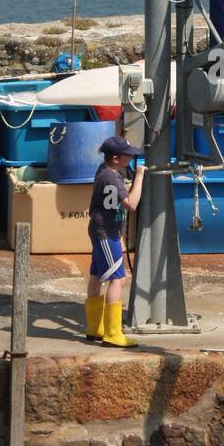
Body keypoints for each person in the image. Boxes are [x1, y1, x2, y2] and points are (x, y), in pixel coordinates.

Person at [85, 135, 146, 348]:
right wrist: (139, 177)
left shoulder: (104, 171)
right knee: (118, 279)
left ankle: (94, 329)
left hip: (99, 230)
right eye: (127, 156)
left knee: (96, 275)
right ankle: (112, 333)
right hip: (107, 233)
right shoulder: (112, 178)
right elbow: (131, 204)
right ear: (116, 158)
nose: (131, 158)